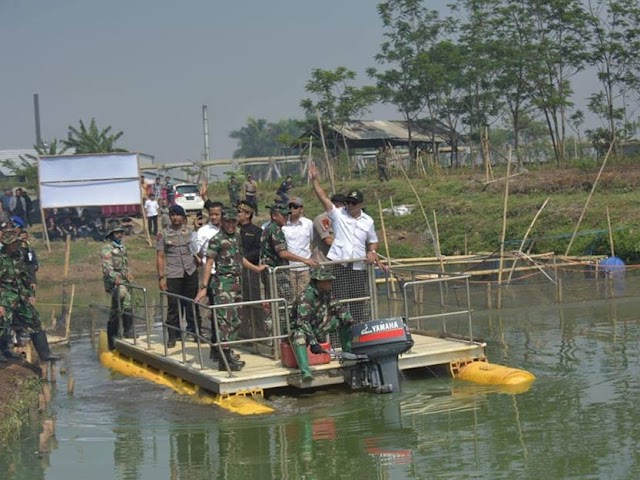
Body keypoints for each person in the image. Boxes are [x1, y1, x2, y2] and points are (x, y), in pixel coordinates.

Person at [309, 162, 380, 323]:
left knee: (358, 301)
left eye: (353, 203)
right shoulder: (339, 214)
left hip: (358, 266)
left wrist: (372, 252)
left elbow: (373, 241)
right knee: (339, 301)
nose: (349, 205)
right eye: (347, 202)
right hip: (341, 264)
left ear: (360, 204)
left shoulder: (368, 221)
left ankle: (358, 333)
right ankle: (337, 337)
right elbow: (324, 199)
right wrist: (314, 181)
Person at [195, 208, 265, 370]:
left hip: (237, 284)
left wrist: (256, 268)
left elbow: (240, 259)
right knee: (224, 321)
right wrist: (204, 287)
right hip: (223, 285)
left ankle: (228, 352)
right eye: (228, 222)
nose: (231, 225)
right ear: (222, 222)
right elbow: (209, 263)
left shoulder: (237, 238)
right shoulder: (217, 239)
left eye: (234, 222)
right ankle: (223, 359)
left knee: (236, 319)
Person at [0, 230, 60, 363]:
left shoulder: (19, 255)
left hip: (22, 296)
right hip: (5, 297)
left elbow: (25, 276)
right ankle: (3, 353)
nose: (16, 245)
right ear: (7, 244)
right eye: (14, 243)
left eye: (17, 242)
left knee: (34, 321)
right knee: (3, 325)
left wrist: (31, 294)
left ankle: (45, 354)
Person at [289, 267, 354, 381]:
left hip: (316, 327)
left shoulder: (325, 293)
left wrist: (349, 319)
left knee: (342, 321)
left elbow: (337, 307)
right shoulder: (307, 296)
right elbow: (302, 322)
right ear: (319, 282)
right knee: (299, 337)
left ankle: (348, 356)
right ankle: (305, 372)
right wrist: (313, 342)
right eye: (327, 281)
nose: (330, 283)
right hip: (300, 329)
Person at [156, 204, 199, 347]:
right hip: (174, 273)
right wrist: (161, 277)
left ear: (184, 217)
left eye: (178, 215)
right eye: (173, 215)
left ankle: (195, 332)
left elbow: (196, 250)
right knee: (173, 305)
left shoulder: (191, 232)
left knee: (192, 303)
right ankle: (173, 335)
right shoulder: (164, 234)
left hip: (190, 271)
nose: (175, 218)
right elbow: (160, 256)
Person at [260, 203, 318, 302]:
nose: (286, 218)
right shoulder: (275, 230)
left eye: (287, 215)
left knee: (276, 303)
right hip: (277, 273)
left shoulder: (268, 228)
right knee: (286, 302)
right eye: (283, 215)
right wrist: (305, 260)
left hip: (272, 272)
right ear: (274, 216)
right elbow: (283, 253)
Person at [100, 223, 134, 350]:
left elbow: (124, 265)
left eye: (121, 232)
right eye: (116, 233)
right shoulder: (107, 249)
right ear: (111, 235)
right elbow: (107, 268)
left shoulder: (122, 248)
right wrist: (116, 278)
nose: (119, 235)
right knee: (119, 301)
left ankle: (128, 332)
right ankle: (112, 338)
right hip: (114, 282)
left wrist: (128, 273)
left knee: (128, 304)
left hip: (124, 280)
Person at [237, 200, 263, 332]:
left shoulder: (256, 231)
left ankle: (259, 330)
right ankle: (243, 330)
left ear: (248, 214)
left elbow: (258, 250)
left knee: (254, 300)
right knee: (239, 302)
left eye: (239, 212)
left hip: (250, 270)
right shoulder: (234, 229)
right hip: (236, 272)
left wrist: (244, 259)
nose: (237, 214)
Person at [282, 196, 314, 296]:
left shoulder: (308, 224)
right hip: (288, 268)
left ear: (301, 209)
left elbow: (313, 242)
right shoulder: (283, 225)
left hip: (304, 268)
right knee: (290, 298)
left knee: (304, 297)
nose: (292, 209)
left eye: (295, 207)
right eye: (290, 206)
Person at [312, 193, 345, 262]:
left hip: (336, 262)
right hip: (322, 263)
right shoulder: (322, 219)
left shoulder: (344, 221)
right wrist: (348, 245)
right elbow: (328, 241)